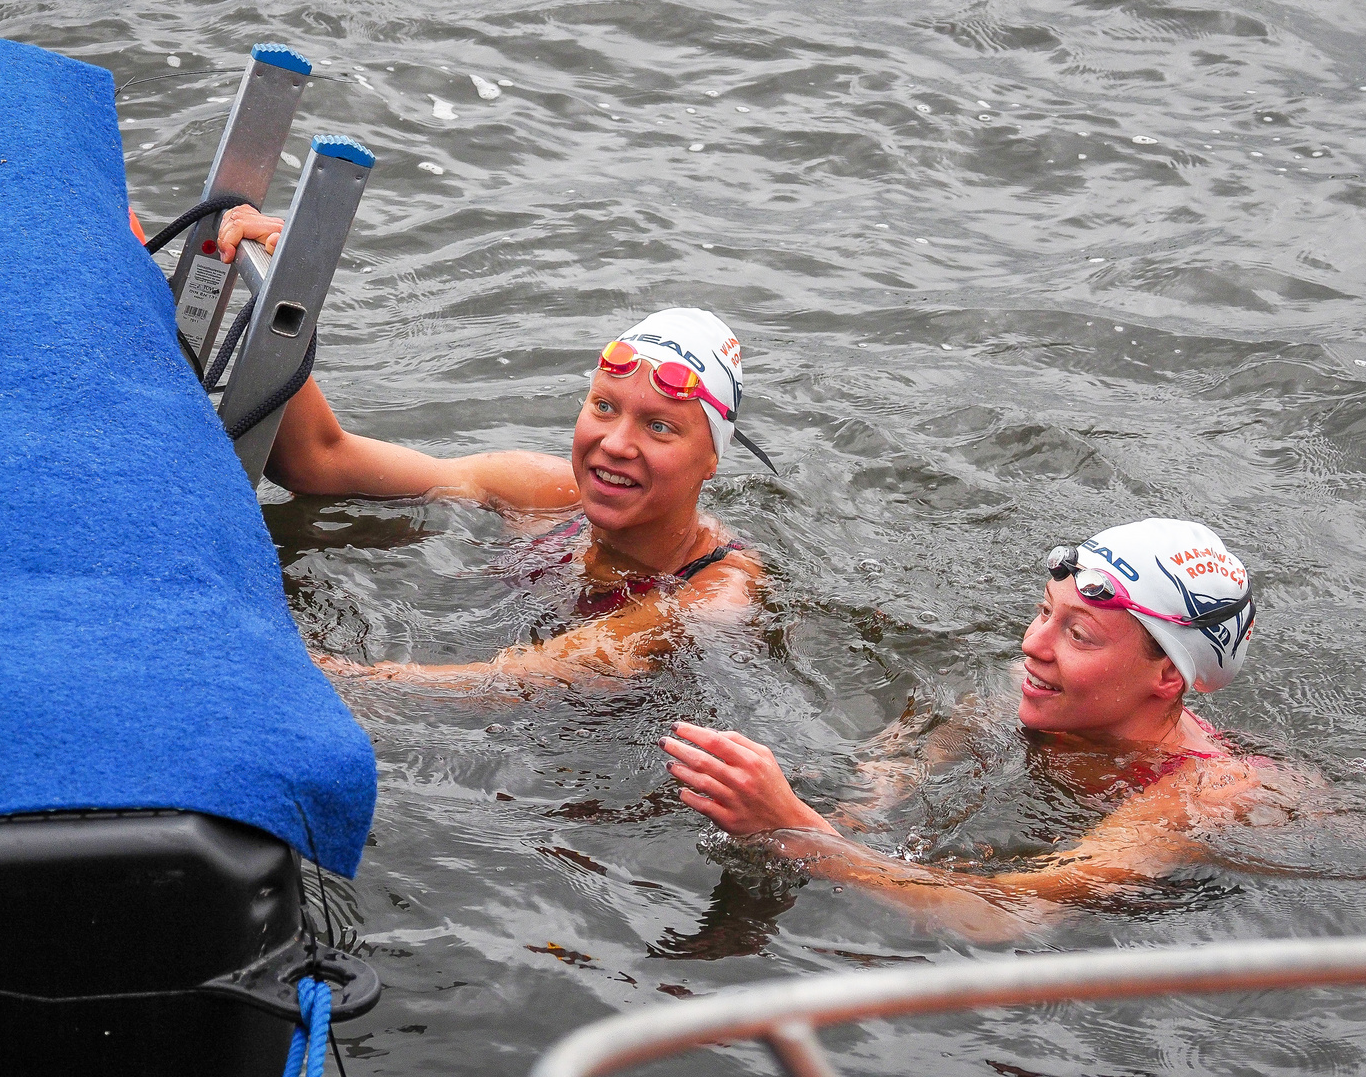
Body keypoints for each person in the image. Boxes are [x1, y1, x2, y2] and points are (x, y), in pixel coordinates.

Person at [191, 208, 773, 690]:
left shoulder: (718, 592)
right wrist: (284, 293)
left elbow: (526, 680)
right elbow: (319, 461)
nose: (616, 444)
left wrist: (335, 677)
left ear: (713, 459)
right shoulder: (543, 493)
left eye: (661, 428)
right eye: (604, 407)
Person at [661, 518, 1277, 941]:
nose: (1032, 645)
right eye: (1043, 612)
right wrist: (776, 814)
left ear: (1168, 676)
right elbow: (883, 782)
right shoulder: (1017, 693)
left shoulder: (1210, 792)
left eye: (1078, 634)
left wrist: (799, 834)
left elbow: (1007, 915)